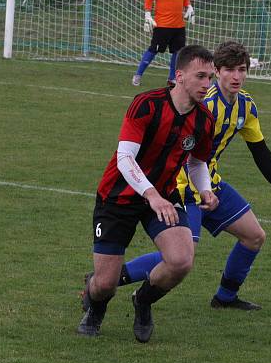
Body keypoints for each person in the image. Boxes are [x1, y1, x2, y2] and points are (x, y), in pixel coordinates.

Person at [116, 41, 271, 310]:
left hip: (210, 185)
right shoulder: (202, 105)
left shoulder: (246, 107)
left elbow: (260, 150)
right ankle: (107, 279)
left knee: (254, 236)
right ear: (216, 71)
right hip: (180, 187)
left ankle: (225, 298)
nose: (236, 76)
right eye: (229, 70)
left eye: (242, 69)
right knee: (179, 257)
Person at [78, 44, 217, 343]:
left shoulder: (204, 119)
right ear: (179, 76)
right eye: (201, 76)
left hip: (163, 198)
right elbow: (124, 157)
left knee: (181, 260)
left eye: (211, 77)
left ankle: (143, 301)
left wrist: (205, 190)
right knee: (106, 284)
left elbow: (197, 162)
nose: (207, 84)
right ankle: (95, 307)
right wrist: (151, 194)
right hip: (119, 198)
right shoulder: (146, 104)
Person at [132, 0, 195, 88]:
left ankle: (172, 78)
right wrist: (147, 14)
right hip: (162, 25)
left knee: (177, 52)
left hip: (179, 25)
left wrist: (189, 6)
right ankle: (138, 75)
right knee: (153, 49)